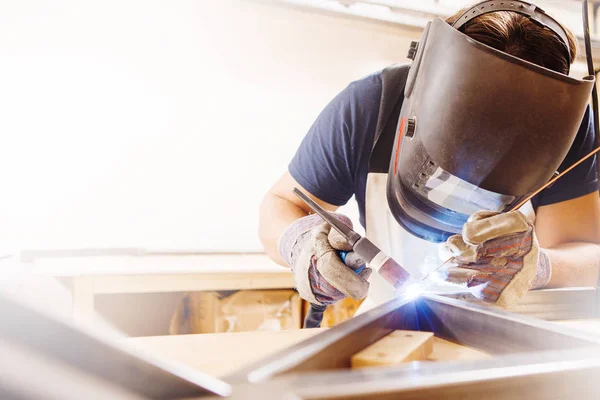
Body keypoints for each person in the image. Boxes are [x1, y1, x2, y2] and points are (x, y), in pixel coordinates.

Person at [259, 1, 600, 314]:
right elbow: (279, 206)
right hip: (391, 324)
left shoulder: (564, 124)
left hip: (511, 329)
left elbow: (585, 253)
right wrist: (302, 244)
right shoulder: (374, 104)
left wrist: (538, 266)